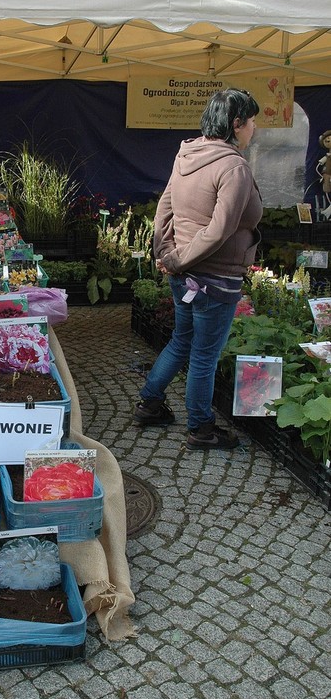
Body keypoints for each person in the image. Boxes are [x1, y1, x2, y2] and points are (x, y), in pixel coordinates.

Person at [134, 88, 262, 450]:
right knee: (204, 354)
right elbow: (219, 230)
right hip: (215, 278)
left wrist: (167, 253)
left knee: (182, 340)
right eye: (251, 121)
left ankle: (149, 403)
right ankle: (201, 428)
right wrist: (174, 258)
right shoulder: (233, 165)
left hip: (184, 274)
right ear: (236, 124)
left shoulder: (187, 153)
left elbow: (165, 208)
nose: (254, 128)